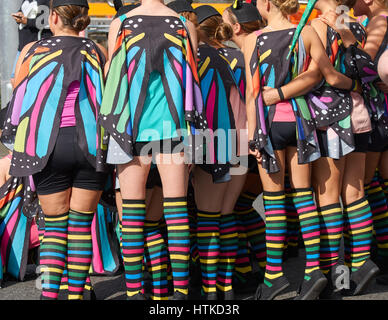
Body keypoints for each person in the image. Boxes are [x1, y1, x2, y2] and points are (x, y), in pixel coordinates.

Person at [243, 0, 355, 300]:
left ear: (266, 4)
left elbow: (252, 91)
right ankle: (313, 272)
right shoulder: (307, 32)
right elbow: (323, 74)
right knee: (305, 199)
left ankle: (273, 277)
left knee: (275, 201)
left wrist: (253, 135)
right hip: (301, 121)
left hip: (269, 124)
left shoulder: (254, 39)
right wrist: (356, 84)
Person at [2, 0, 109, 300]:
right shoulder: (97, 52)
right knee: (79, 227)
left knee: (54, 231)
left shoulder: (32, 51)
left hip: (49, 145)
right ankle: (77, 295)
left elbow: (19, 102)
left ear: (54, 17)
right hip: (90, 144)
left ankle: (49, 296)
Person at [100, 0, 203, 300]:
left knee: (132, 216)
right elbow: (191, 80)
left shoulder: (121, 24)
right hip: (174, 128)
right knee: (177, 213)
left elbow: (111, 77)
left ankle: (135, 293)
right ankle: (181, 293)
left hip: (131, 129)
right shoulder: (185, 25)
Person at [319, 0, 388, 290]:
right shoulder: (354, 24)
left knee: (329, 195)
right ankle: (361, 263)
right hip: (362, 114)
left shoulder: (323, 25)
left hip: (335, 116)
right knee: (356, 191)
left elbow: (325, 74)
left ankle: (339, 279)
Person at [220, 0, 267, 293]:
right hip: (275, 138)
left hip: (246, 144)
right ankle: (261, 264)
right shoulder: (266, 46)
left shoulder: (236, 58)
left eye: (226, 21)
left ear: (235, 27)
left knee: (232, 209)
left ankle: (246, 269)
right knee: (241, 206)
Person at [11, 0, 53, 88]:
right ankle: (20, 101)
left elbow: (46, 22)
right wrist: (19, 17)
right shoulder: (26, 0)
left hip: (37, 47)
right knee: (14, 79)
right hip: (22, 47)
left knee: (35, 81)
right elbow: (22, 12)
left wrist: (27, 21)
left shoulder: (46, 2)